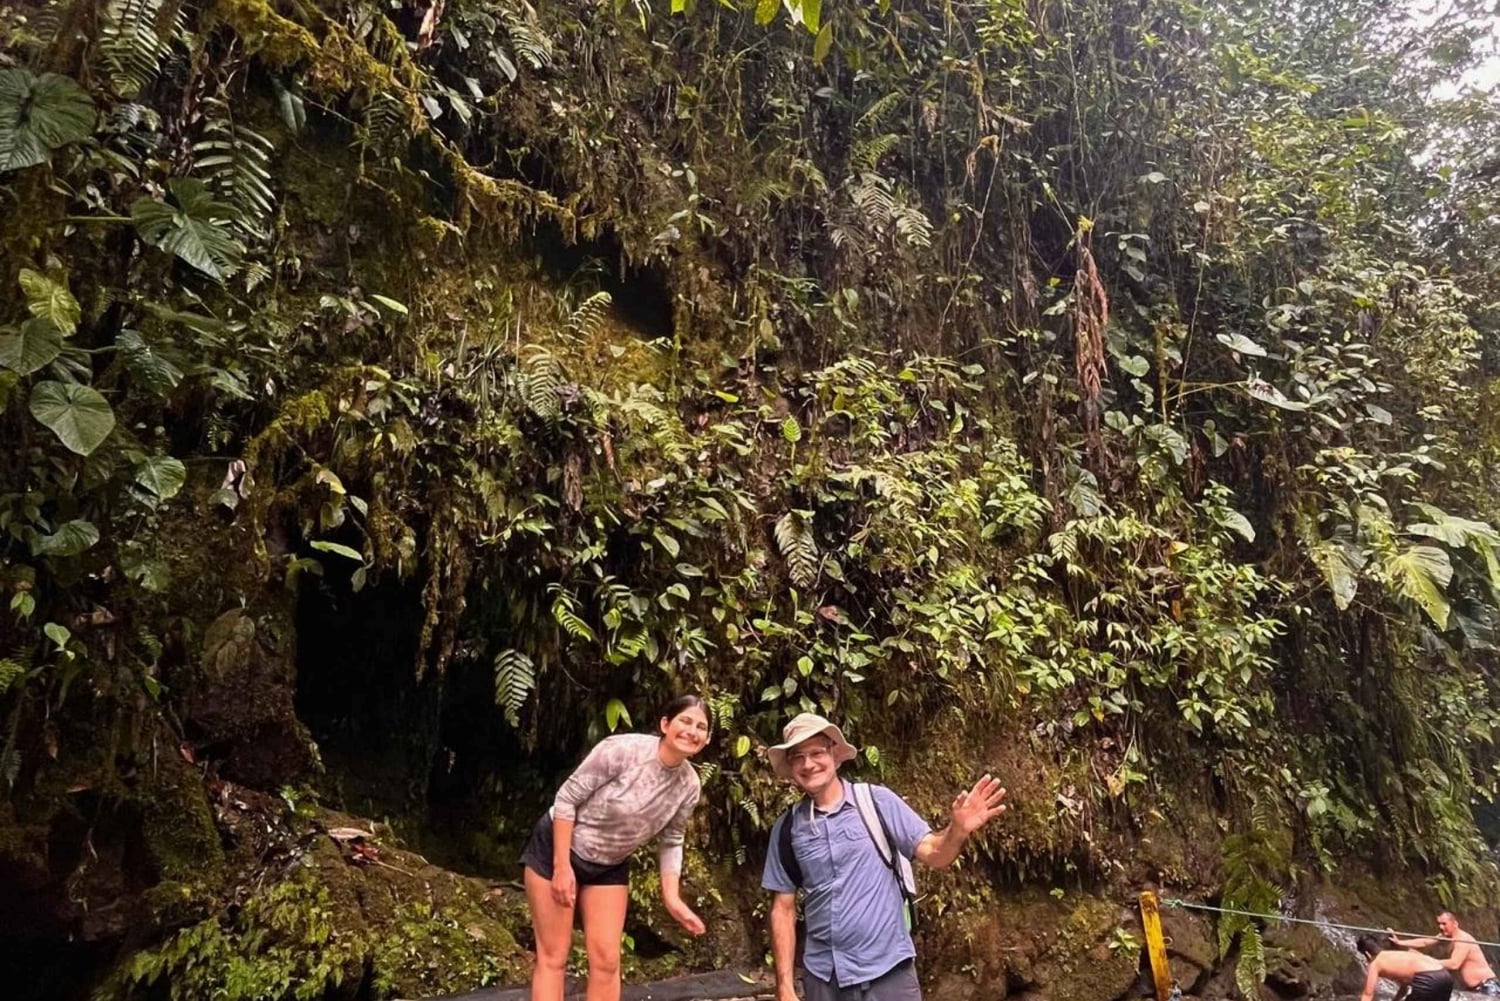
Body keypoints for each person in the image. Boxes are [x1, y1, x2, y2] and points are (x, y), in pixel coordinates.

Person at [761, 712, 1008, 1001]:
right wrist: (785, 986)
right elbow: (783, 909)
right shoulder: (788, 828)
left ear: (835, 755)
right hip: (825, 980)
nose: (808, 763)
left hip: (888, 973)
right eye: (798, 757)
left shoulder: (876, 802)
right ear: (790, 767)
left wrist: (958, 830)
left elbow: (934, 853)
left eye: (817, 752)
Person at [522, 695, 711, 1001]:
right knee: (554, 956)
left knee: (607, 961)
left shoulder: (689, 784)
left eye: (701, 727)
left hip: (610, 863)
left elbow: (673, 839)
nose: (692, 731)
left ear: (707, 739)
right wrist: (561, 867)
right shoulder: (622, 751)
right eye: (685, 721)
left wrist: (672, 898)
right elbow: (567, 799)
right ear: (665, 724)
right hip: (557, 849)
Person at [1388, 911, 1500, 994]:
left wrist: (1427, 961)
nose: (1441, 927)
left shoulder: (1463, 939)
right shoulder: (1444, 936)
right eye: (1439, 924)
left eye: (1444, 924)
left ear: (1455, 924)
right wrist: (1399, 942)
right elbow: (1424, 942)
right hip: (1473, 990)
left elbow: (1454, 964)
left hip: (1487, 986)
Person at [1357, 934, 1453, 1001]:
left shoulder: (1376, 963)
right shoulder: (1397, 955)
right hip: (1445, 975)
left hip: (1428, 978)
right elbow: (1404, 989)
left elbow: (1368, 995)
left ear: (1367, 954)